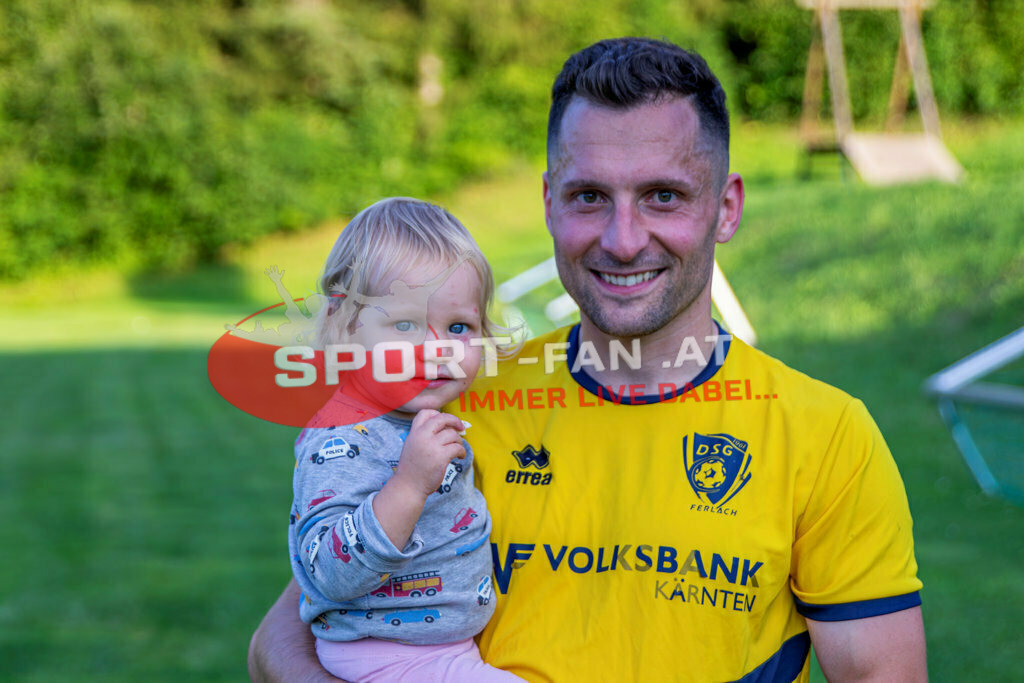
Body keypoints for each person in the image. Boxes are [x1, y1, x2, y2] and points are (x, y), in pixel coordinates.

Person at [250, 38, 927, 682]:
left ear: (726, 208)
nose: (623, 240)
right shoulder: (451, 395)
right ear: (550, 204)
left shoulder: (826, 437)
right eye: (590, 197)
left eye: (663, 195)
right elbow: (292, 632)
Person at [288, 197, 520, 681]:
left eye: (459, 327)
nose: (436, 349)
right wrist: (410, 484)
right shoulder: (342, 439)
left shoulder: (418, 416)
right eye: (406, 325)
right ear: (342, 327)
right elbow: (329, 573)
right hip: (388, 655)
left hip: (439, 650)